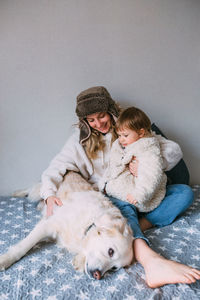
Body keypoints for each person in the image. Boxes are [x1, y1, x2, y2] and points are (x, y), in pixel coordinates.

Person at [40, 86, 200, 287]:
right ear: (85, 122)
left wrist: (145, 166)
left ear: (110, 111)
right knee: (123, 211)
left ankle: (141, 225)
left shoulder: (128, 126)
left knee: (184, 193)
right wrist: (48, 195)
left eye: (101, 116)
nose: (98, 123)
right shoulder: (78, 142)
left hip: (144, 191)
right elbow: (54, 168)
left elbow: (173, 151)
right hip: (114, 195)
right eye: (91, 120)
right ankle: (152, 262)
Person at [98, 106, 167, 213]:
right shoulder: (121, 145)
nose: (121, 139)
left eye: (125, 135)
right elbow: (112, 167)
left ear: (141, 133)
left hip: (137, 195)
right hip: (120, 192)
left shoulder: (147, 149)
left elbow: (152, 174)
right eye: (119, 135)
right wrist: (104, 184)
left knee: (183, 193)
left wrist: (139, 195)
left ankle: (144, 221)